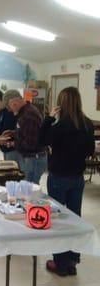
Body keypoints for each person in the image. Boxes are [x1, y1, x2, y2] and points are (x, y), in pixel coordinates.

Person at [39, 87, 95, 276]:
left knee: (58, 219)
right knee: (74, 218)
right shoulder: (87, 123)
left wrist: (48, 118)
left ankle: (60, 263)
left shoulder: (60, 125)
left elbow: (41, 140)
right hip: (77, 177)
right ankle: (72, 261)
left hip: (58, 176)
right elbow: (90, 150)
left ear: (61, 103)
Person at [2, 89, 47, 183]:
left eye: (9, 107)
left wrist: (10, 144)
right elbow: (27, 132)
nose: (10, 111)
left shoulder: (29, 114)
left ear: (14, 102)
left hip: (33, 159)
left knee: (28, 190)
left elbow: (30, 143)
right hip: (30, 158)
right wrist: (13, 133)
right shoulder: (25, 111)